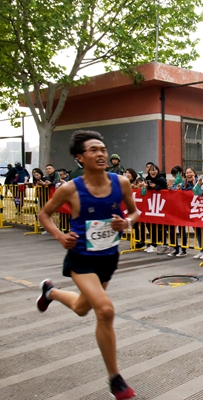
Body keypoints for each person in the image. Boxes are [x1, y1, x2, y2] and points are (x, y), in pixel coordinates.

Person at [36, 130, 138, 400]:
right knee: (105, 310)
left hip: (108, 257)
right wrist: (60, 236)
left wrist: (126, 223)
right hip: (81, 258)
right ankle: (115, 379)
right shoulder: (70, 188)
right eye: (93, 150)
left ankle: (50, 292)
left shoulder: (121, 182)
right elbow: (44, 214)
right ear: (80, 157)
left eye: (102, 149)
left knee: (82, 308)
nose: (100, 154)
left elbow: (135, 211)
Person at [143, 164, 168, 253]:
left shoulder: (161, 179)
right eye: (151, 170)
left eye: (154, 170)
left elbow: (165, 189)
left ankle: (163, 244)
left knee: (161, 226)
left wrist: (156, 187)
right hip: (151, 205)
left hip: (160, 205)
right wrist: (146, 187)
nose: (152, 172)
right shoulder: (147, 179)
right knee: (150, 225)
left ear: (158, 171)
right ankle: (153, 243)